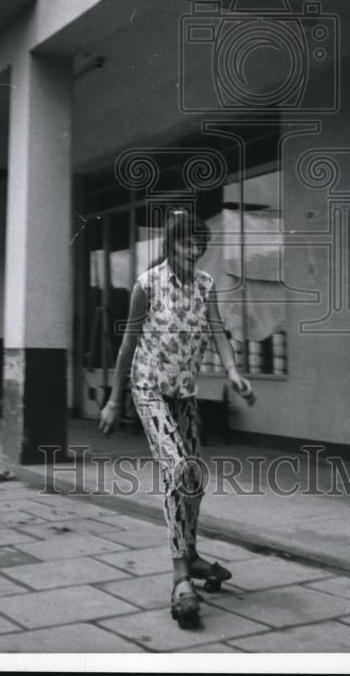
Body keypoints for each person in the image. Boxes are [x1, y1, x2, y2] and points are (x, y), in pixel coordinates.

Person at [99, 210, 255, 628]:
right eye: (187, 243)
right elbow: (127, 345)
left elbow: (218, 331)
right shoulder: (147, 285)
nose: (195, 250)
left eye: (200, 244)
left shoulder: (205, 286)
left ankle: (192, 554)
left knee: (195, 479)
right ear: (172, 244)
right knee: (178, 470)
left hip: (184, 395)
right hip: (149, 391)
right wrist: (115, 401)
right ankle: (180, 576)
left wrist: (233, 371)